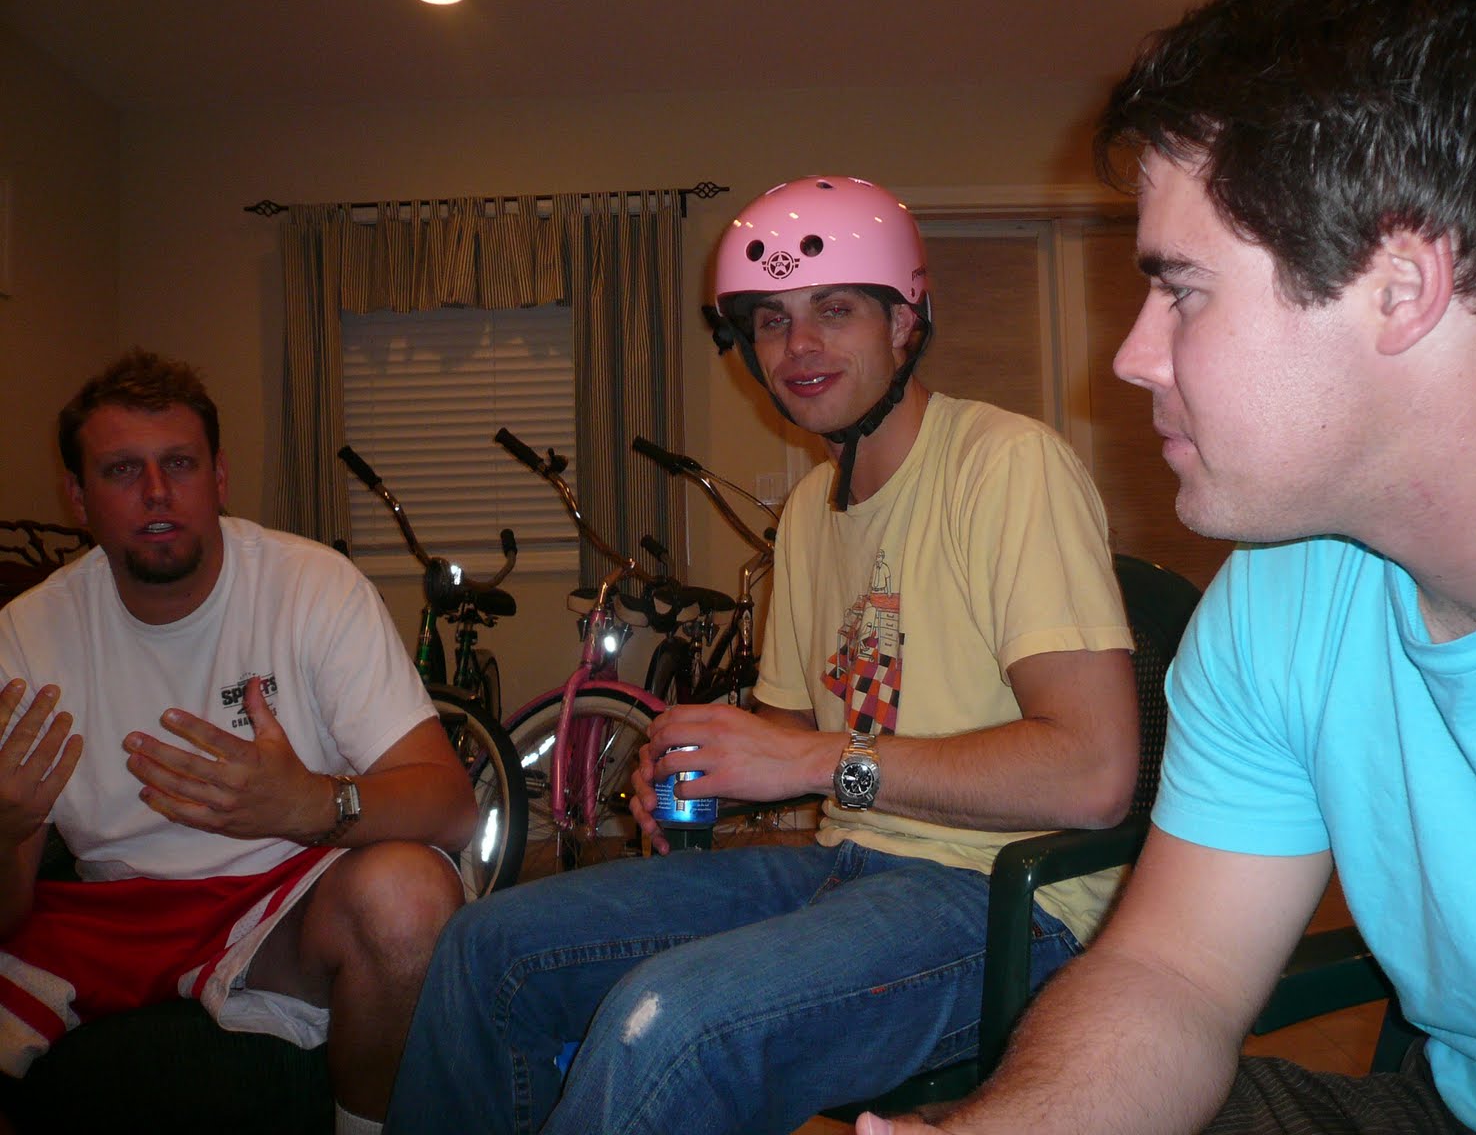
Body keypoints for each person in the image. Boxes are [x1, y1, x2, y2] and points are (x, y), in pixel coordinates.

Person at [859, 0, 1476, 1134]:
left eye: (1183, 290)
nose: (1130, 356)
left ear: (1399, 285)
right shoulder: (1278, 595)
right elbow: (1174, 976)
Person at [385, 175, 1140, 1134]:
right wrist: (706, 765)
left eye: (835, 309)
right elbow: (788, 733)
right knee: (486, 947)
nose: (799, 346)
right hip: (846, 864)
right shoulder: (811, 516)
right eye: (773, 322)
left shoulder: (1005, 464)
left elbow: (1092, 774)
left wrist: (817, 761)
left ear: (906, 321)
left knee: (667, 1022)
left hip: (1006, 903)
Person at [0, 350, 479, 1134]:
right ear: (78, 498)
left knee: (408, 895)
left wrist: (310, 804)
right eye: (122, 470)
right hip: (111, 915)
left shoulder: (313, 587)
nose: (158, 492)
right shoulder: (25, 636)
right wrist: (4, 830)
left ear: (219, 478)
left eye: (180, 464)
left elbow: (451, 806)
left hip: (283, 899)